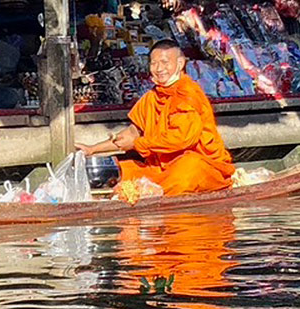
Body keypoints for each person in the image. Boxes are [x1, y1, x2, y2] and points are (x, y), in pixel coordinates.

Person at [75, 38, 235, 196]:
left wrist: (139, 144)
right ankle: (151, 189)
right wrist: (92, 149)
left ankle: (155, 191)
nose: (159, 69)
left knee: (189, 169)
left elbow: (183, 139)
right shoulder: (151, 97)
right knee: (122, 171)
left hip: (199, 164)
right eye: (154, 63)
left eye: (165, 63)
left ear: (180, 64)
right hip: (159, 168)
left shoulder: (188, 95)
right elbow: (131, 134)